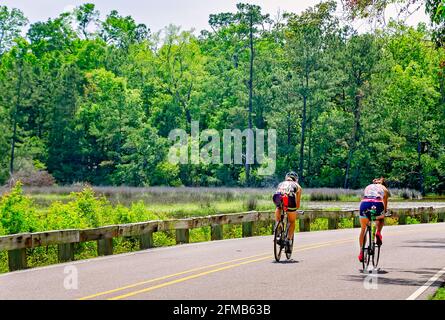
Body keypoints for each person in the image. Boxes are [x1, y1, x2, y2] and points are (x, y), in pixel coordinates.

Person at [358, 177, 389, 262]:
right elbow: (385, 208)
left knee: (363, 229)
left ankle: (361, 252)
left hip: (365, 203)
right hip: (377, 203)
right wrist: (384, 213)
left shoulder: (368, 186)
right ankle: (378, 232)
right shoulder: (385, 189)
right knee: (381, 217)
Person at [272, 171, 302, 253]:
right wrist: (294, 210)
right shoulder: (297, 186)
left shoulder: (281, 183)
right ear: (296, 179)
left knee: (278, 208)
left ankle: (277, 228)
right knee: (292, 222)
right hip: (290, 198)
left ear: (286, 178)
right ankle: (288, 240)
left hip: (277, 197)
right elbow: (297, 205)